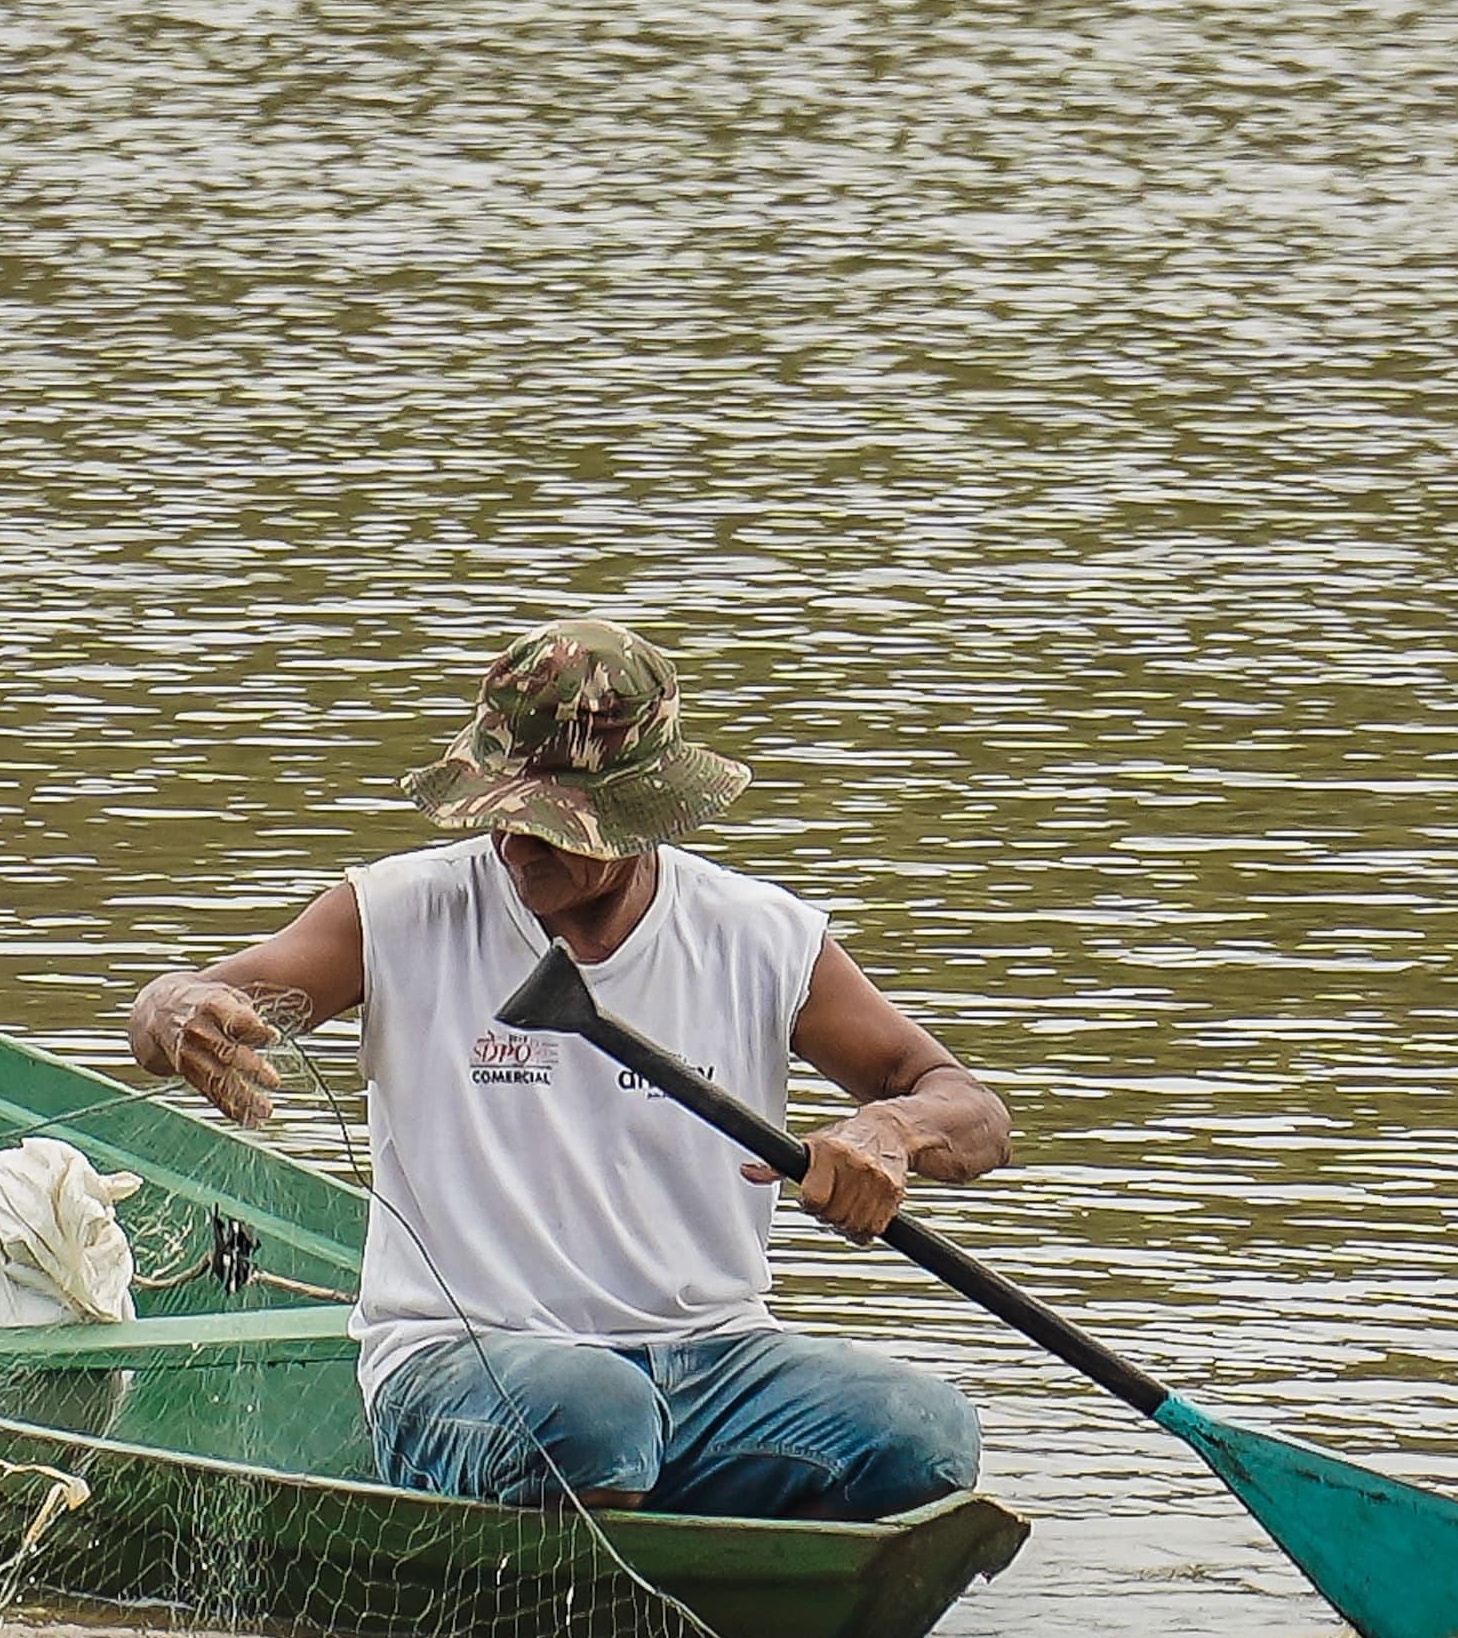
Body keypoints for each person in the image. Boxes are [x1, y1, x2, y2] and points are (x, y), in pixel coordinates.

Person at [126, 616, 1009, 1520]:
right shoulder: (396, 912)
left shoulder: (760, 936)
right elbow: (180, 1007)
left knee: (924, 1434)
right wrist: (172, 1010)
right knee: (595, 1416)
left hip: (713, 1359)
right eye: (501, 815)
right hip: (465, 1358)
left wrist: (890, 1131)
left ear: (645, 813)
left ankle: (708, 1563)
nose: (514, 846)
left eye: (551, 827)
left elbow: (972, 1108)